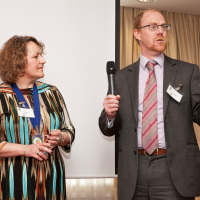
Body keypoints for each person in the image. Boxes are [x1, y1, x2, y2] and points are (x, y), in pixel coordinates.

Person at [99, 9, 200, 200]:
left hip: (173, 170)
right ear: (137, 33)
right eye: (153, 27)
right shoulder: (121, 77)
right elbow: (107, 128)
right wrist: (110, 116)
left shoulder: (188, 72)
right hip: (133, 170)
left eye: (164, 26)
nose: (161, 31)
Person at [0, 35, 75, 200]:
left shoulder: (51, 92)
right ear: (17, 61)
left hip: (52, 181)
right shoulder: (1, 96)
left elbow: (69, 129)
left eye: (42, 55)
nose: (43, 60)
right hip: (13, 183)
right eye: (36, 56)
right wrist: (25, 149)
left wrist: (61, 137)